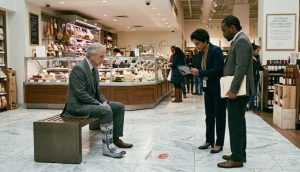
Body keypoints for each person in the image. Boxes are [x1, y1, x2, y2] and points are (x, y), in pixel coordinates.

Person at [61, 43, 133, 159]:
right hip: (77, 106)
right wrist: (100, 105)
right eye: (101, 56)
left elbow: (98, 92)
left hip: (89, 103)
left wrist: (103, 102)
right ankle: (107, 147)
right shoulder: (78, 69)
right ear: (92, 56)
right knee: (106, 111)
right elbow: (81, 94)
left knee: (119, 107)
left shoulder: (94, 69)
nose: (103, 60)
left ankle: (115, 139)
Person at [218, 15, 255, 168]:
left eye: (224, 30)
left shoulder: (241, 41)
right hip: (239, 90)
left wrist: (233, 90)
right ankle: (239, 153)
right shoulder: (239, 40)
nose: (223, 33)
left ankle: (237, 159)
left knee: (235, 124)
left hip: (238, 91)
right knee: (239, 122)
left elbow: (240, 67)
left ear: (233, 28)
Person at [190, 28, 227, 154]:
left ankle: (219, 143)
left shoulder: (216, 51)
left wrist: (200, 72)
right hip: (207, 88)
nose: (196, 46)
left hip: (218, 87)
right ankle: (209, 140)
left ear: (205, 40)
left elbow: (217, 70)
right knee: (209, 116)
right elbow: (200, 68)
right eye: (195, 43)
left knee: (219, 115)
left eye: (197, 43)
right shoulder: (200, 53)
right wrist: (194, 71)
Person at [249, 43, 263, 110]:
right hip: (251, 78)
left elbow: (259, 67)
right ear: (253, 51)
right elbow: (254, 68)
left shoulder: (257, 58)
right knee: (251, 92)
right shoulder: (249, 59)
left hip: (256, 77)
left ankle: (252, 105)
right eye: (257, 51)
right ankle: (250, 105)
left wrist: (263, 68)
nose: (258, 52)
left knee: (254, 92)